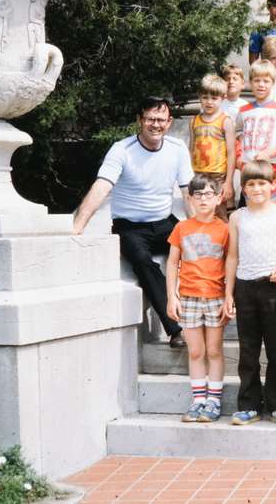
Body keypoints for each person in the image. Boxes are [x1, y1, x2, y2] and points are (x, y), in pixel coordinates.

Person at [72, 95, 193, 348]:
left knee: (196, 250)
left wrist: (199, 229)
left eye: (161, 120)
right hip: (130, 227)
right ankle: (176, 328)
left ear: (169, 122)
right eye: (150, 119)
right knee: (142, 262)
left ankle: (205, 318)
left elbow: (187, 192)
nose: (156, 125)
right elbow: (102, 187)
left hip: (163, 222)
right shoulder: (122, 150)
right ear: (140, 120)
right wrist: (78, 226)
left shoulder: (177, 149)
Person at [224, 161, 276, 425]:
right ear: (243, 188)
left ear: (273, 184)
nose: (256, 189)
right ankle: (249, 404)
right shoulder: (237, 217)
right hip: (245, 286)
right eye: (251, 184)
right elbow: (232, 256)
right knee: (248, 349)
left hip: (273, 287)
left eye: (262, 183)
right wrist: (228, 293)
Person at [165, 174, 229, 422]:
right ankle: (198, 399)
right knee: (195, 351)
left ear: (218, 198)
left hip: (215, 297)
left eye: (208, 194)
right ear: (190, 199)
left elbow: (230, 263)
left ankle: (214, 400)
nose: (203, 199)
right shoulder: (182, 228)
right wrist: (172, 296)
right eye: (198, 195)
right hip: (189, 297)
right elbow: (172, 263)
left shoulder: (224, 230)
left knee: (213, 350)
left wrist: (228, 297)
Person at [236, 60, 276, 202]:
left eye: (266, 81)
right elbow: (238, 130)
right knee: (251, 207)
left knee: (270, 208)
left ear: (273, 83)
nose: (261, 85)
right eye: (257, 81)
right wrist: (241, 152)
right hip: (248, 166)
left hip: (270, 166)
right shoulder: (244, 110)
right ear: (250, 83)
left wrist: (269, 153)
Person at [189, 74, 235, 220]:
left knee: (220, 213)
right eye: (205, 97)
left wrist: (228, 182)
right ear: (199, 97)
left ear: (223, 98)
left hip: (218, 176)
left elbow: (231, 153)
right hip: (197, 174)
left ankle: (226, 242)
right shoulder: (194, 121)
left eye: (214, 98)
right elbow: (191, 149)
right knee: (200, 212)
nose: (209, 102)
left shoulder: (225, 121)